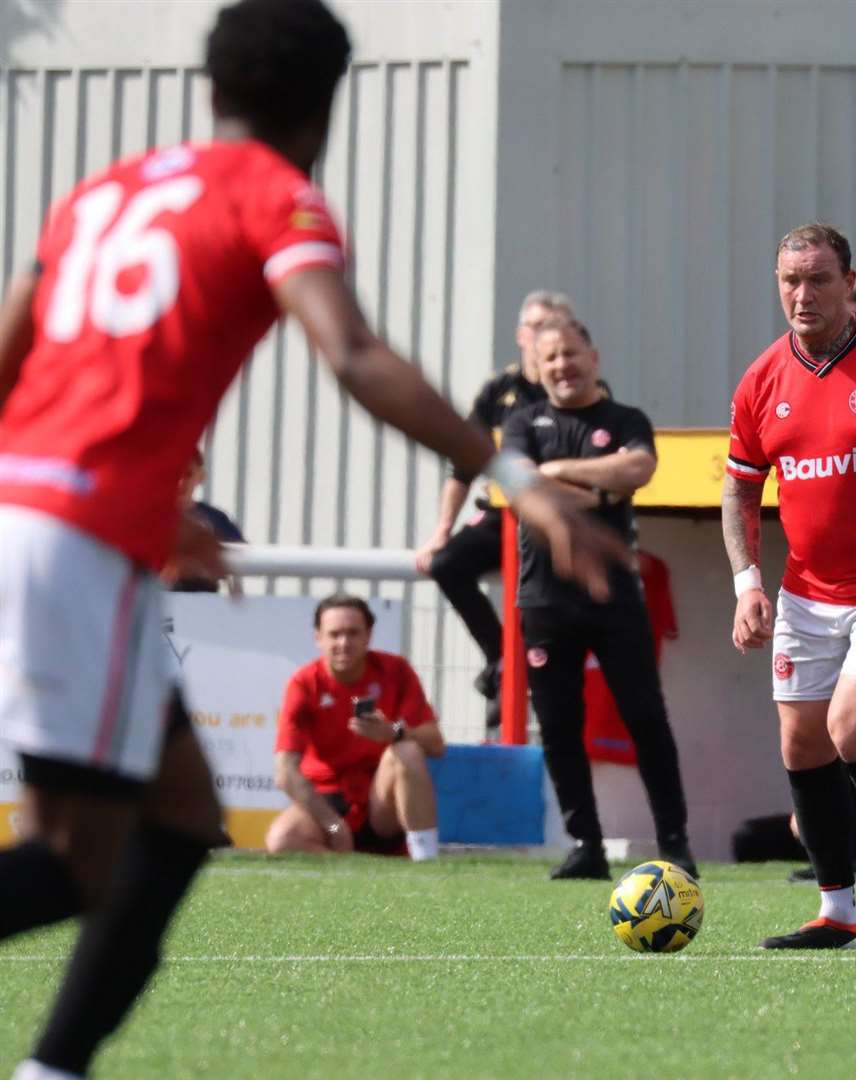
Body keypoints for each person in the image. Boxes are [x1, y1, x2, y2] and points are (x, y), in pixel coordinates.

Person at [0, 3, 625, 1076]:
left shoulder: (107, 189)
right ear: (324, 106)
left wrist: (147, 510)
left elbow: (15, 353)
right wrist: (516, 480)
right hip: (75, 544)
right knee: (74, 858)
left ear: (213, 86)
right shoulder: (276, 196)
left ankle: (55, 1068)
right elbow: (353, 354)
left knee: (183, 819)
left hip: (53, 520)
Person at [724, 221, 856, 949]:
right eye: (790, 280)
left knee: (854, 729)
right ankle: (836, 913)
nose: (802, 293)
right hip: (805, 592)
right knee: (804, 746)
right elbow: (740, 491)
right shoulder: (761, 380)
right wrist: (746, 582)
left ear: (849, 283)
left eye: (818, 279)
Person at [501, 315, 696, 879]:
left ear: (594, 356)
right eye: (550, 357)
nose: (562, 365)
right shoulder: (521, 422)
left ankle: (675, 842)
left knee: (644, 716)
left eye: (570, 353)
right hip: (543, 598)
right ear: (538, 366)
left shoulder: (625, 419)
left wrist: (556, 472)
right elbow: (517, 485)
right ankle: (585, 845)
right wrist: (597, 486)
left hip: (615, 596)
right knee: (559, 724)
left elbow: (639, 468)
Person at [415, 290, 575, 717]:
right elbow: (464, 466)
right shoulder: (499, 390)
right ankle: (502, 660)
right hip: (502, 517)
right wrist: (440, 532)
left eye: (558, 327)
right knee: (446, 563)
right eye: (540, 327)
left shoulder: (578, 387)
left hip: (553, 520)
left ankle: (525, 676)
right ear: (522, 335)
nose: (549, 338)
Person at [266, 594, 444, 860]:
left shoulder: (395, 670)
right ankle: (356, 868)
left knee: (407, 750)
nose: (344, 643)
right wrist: (334, 825)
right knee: (282, 839)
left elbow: (436, 743)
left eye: (352, 633)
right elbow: (285, 771)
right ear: (318, 638)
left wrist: (393, 732)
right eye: (334, 634)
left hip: (380, 801)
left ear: (368, 636)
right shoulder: (304, 683)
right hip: (328, 799)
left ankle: (426, 861)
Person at [167, 447, 245, 593]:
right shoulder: (149, 518)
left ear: (201, 477)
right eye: (175, 472)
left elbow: (240, 557)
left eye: (188, 474)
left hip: (205, 603)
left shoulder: (216, 518)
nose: (181, 481)